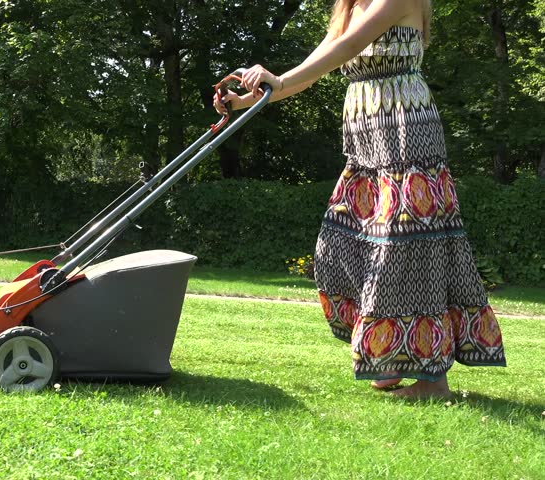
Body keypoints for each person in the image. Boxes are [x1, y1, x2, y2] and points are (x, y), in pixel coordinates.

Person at [214, 0, 506, 399]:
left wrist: (277, 82)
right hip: (366, 140)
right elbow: (308, 72)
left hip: (405, 129)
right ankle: (389, 357)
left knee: (407, 252)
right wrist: (250, 100)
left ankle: (432, 380)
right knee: (341, 245)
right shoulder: (350, 7)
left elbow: (347, 48)